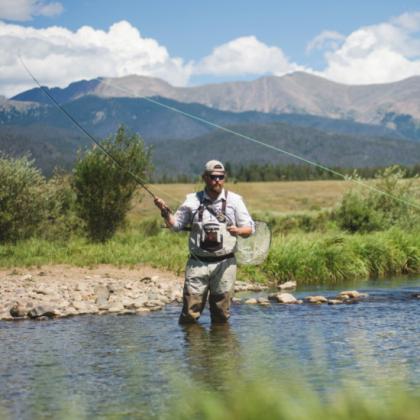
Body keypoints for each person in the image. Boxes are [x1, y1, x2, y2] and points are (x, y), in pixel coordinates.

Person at [154, 160, 254, 324]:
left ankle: (220, 348)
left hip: (225, 264)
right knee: (189, 316)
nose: (217, 180)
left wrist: (239, 231)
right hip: (197, 264)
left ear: (225, 178)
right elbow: (176, 226)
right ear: (204, 178)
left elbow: (249, 229)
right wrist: (164, 211)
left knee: (221, 316)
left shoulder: (235, 201)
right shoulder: (192, 200)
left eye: (221, 177)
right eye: (213, 177)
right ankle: (193, 349)